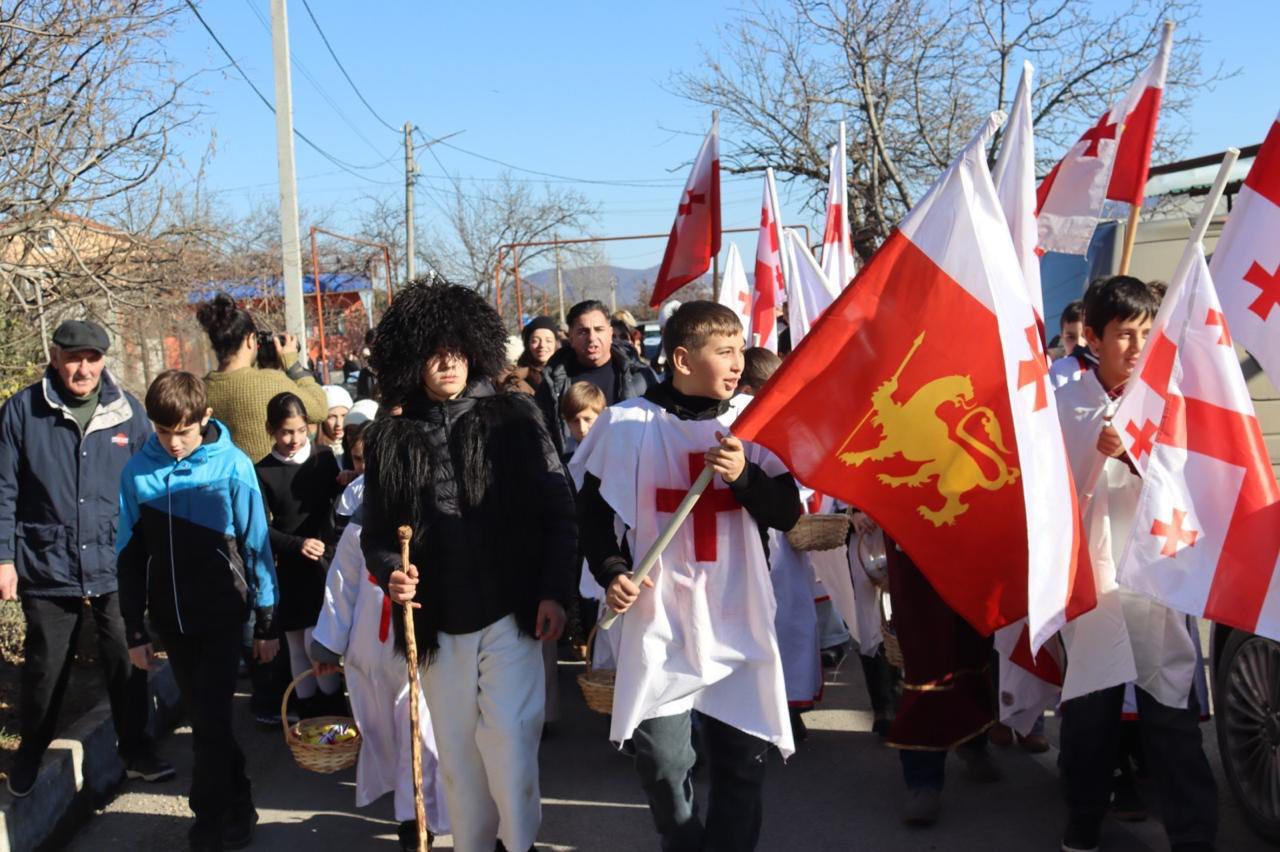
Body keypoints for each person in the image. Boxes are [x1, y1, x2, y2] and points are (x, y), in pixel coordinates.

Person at [572, 301, 801, 851]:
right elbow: (592, 516)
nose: (738, 362)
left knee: (741, 761)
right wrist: (612, 570)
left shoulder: (751, 421)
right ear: (681, 359)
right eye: (724, 351)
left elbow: (787, 514)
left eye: (740, 349)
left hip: (737, 609)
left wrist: (745, 477)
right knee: (663, 760)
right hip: (660, 615)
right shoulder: (626, 424)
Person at [361, 279, 577, 852]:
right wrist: (392, 572)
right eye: (433, 353)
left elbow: (560, 509)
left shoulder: (515, 417)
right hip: (438, 620)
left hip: (512, 611)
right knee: (456, 758)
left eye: (456, 349)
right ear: (411, 359)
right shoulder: (389, 438)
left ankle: (518, 844)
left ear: (475, 349)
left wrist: (555, 591)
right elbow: (376, 535)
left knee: (510, 741)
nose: (448, 363)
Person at [1055, 276, 1216, 852]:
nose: (1137, 347)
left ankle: (1193, 835)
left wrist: (1135, 455)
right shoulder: (1063, 404)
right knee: (1090, 708)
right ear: (1093, 338)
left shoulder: (1166, 400)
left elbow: (1188, 483)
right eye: (1125, 335)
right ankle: (1083, 822)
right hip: (1091, 578)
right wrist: (1092, 454)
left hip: (1153, 576)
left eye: (1146, 334)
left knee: (1168, 708)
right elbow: (1048, 493)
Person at [0, 320, 173, 796]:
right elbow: (4, 489)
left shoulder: (127, 413)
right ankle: (31, 752)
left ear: (103, 360)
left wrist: (155, 555)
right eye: (74, 358)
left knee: (127, 657)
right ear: (55, 357)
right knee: (45, 666)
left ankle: (136, 750)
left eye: (92, 358)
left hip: (114, 558)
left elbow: (148, 487)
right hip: (46, 558)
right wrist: (3, 558)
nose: (83, 369)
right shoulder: (22, 411)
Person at [117, 370, 279, 852]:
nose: (173, 442)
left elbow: (257, 545)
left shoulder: (232, 465)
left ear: (204, 417)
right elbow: (128, 556)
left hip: (224, 616)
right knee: (208, 722)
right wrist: (134, 629)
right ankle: (240, 803)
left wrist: (267, 621)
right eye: (163, 431)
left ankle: (206, 819)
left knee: (210, 722)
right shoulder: (136, 473)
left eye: (183, 431)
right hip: (172, 621)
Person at [311, 484, 450, 851]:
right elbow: (343, 582)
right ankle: (408, 804)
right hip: (371, 649)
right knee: (382, 733)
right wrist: (327, 644)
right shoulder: (366, 516)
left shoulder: (444, 510)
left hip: (422, 649)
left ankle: (415, 821)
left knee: (419, 733)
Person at [737, 346, 822, 742]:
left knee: (785, 621)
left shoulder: (778, 422)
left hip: (777, 538)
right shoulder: (741, 421)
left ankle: (786, 708)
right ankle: (772, 709)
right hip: (751, 537)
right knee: (771, 622)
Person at [254, 392, 345, 718]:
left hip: (324, 563)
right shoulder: (262, 470)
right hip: (291, 566)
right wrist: (296, 544)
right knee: (296, 643)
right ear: (271, 430)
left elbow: (339, 507)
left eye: (300, 430)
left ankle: (334, 710)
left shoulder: (323, 458)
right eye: (285, 432)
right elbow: (261, 529)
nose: (294, 439)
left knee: (316, 642)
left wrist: (347, 480)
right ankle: (308, 716)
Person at [196, 292, 328, 463]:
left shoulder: (200, 389)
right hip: (271, 477)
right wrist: (292, 365)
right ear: (250, 339)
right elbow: (320, 409)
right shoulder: (272, 381)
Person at [535, 299, 652, 457]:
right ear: (571, 338)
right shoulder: (553, 383)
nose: (592, 338)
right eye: (583, 332)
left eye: (599, 329)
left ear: (610, 333)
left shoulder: (640, 377)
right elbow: (542, 440)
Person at [504, 316, 559, 395]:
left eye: (548, 341)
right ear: (528, 344)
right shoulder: (515, 377)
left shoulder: (569, 372)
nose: (542, 345)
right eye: (535, 341)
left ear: (556, 344)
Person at [1049, 300, 1095, 388]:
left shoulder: (1106, 371)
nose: (1079, 343)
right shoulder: (1057, 372)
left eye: (1085, 336)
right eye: (1071, 337)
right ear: (1062, 338)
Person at [318, 384, 353, 463]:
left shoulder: (356, 447)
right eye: (332, 417)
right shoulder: (317, 453)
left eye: (344, 415)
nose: (338, 423)